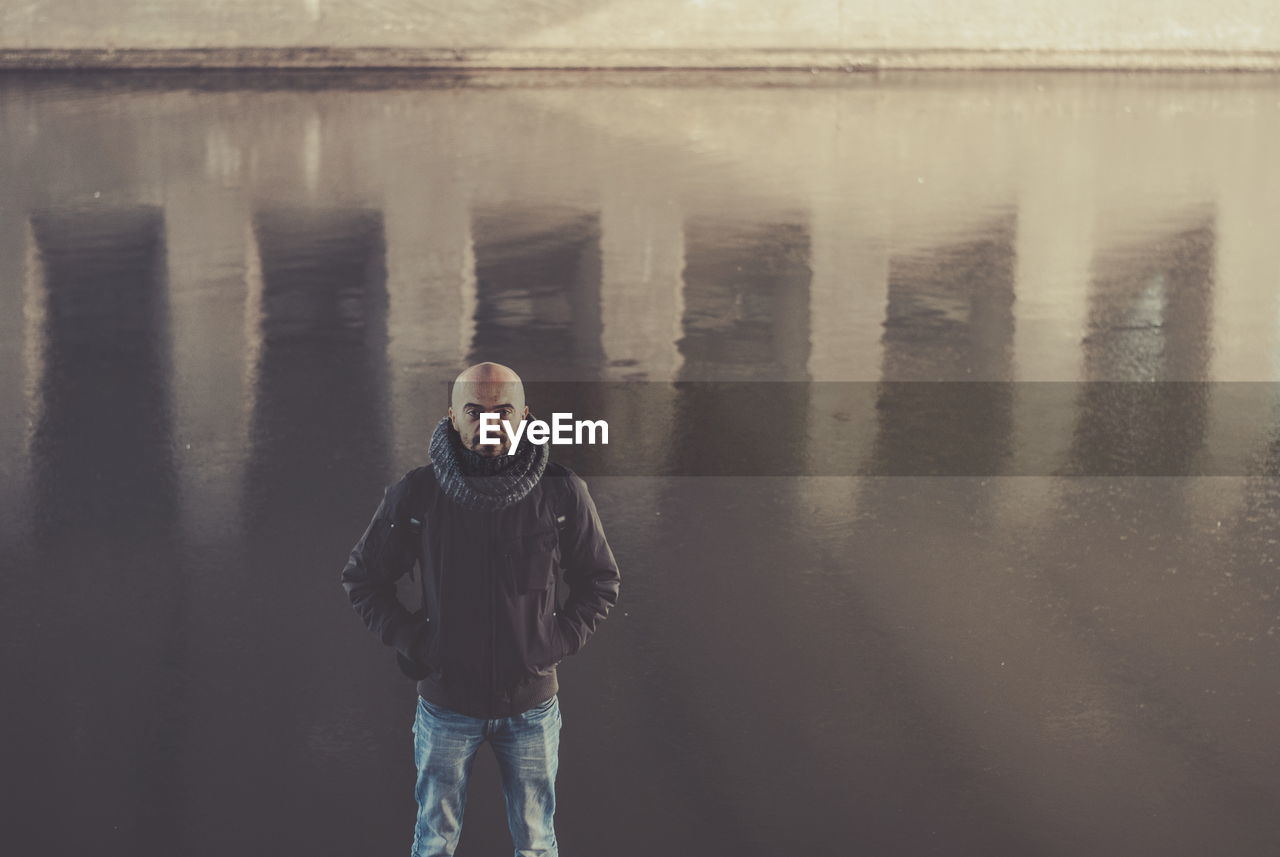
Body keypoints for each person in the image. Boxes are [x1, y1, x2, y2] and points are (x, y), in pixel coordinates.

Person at [341, 362, 621, 857]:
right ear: (451, 416)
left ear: (526, 417)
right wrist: (416, 642)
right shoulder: (418, 494)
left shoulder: (561, 492)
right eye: (474, 411)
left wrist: (551, 644)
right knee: (434, 842)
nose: (488, 423)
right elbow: (364, 579)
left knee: (537, 843)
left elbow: (600, 580)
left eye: (502, 411)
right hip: (447, 706)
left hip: (532, 707)